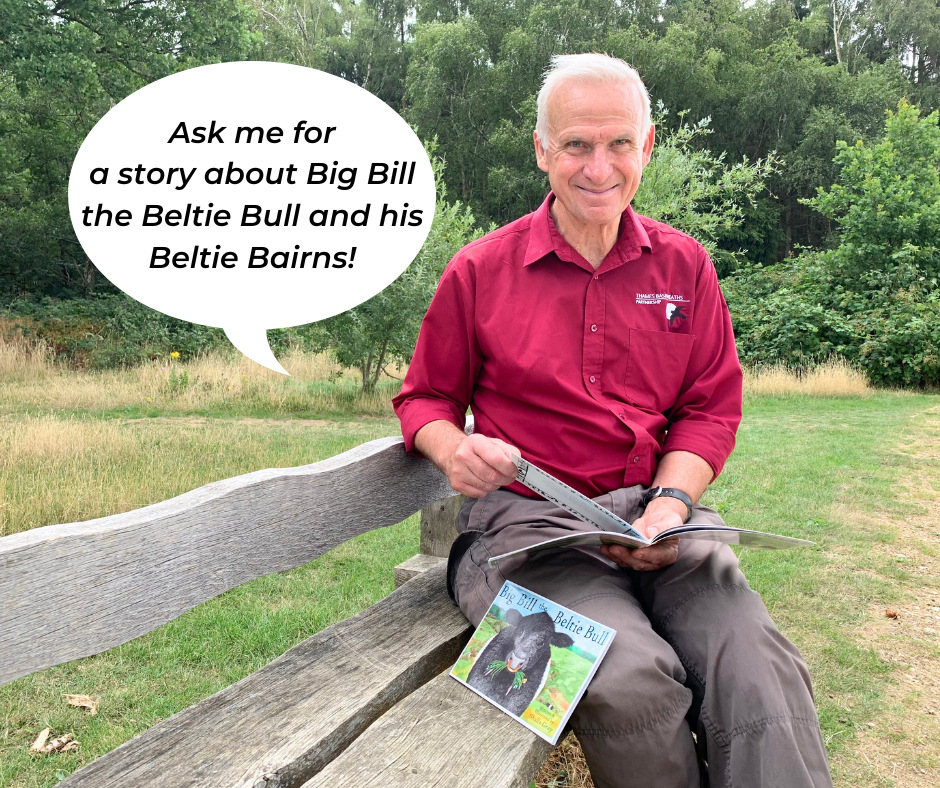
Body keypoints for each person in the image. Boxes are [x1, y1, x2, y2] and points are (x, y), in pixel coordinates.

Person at [393, 53, 832, 788]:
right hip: (523, 538)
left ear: (646, 145)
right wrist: (451, 447)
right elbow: (425, 399)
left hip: (660, 524)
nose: (599, 167)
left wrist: (670, 504)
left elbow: (709, 407)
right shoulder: (478, 270)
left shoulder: (686, 267)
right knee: (625, 681)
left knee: (762, 670)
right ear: (542, 150)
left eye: (618, 144)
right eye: (576, 145)